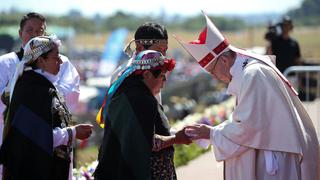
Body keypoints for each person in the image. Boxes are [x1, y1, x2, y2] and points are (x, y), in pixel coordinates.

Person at [175, 12, 320, 180]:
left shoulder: (252, 74)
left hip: (276, 159)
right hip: (273, 149)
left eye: (212, 71)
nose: (215, 77)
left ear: (223, 61)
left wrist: (212, 133)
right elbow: (249, 120)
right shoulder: (247, 71)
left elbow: (248, 128)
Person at [0, 35, 92, 180]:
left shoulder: (42, 87)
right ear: (41, 61)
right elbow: (34, 137)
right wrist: (72, 133)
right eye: (56, 57)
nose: (61, 61)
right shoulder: (32, 91)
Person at [94, 50, 191, 180]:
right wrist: (177, 138)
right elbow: (146, 142)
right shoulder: (141, 100)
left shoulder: (125, 93)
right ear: (147, 74)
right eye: (162, 76)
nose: (164, 82)